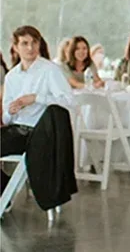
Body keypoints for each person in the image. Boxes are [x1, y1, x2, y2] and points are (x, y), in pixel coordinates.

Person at [1, 25, 78, 211]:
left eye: (34, 42)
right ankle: (5, 191)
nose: (30, 48)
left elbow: (69, 103)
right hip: (17, 130)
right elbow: (7, 119)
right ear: (16, 47)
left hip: (43, 133)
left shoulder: (49, 70)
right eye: (24, 43)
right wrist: (10, 111)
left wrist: (36, 98)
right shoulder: (11, 76)